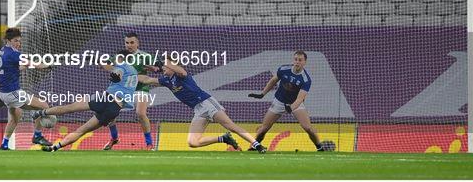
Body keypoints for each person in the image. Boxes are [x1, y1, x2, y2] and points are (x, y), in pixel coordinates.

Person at [139, 58, 267, 153]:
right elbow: (147, 80)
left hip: (206, 103)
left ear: (172, 67)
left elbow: (180, 70)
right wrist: (131, 75)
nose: (163, 69)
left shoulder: (181, 75)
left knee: (230, 126)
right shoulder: (166, 80)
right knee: (192, 142)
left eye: (166, 67)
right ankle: (223, 138)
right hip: (198, 110)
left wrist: (163, 62)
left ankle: (257, 145)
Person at [35, 50, 139, 152]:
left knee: (69, 108)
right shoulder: (134, 73)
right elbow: (115, 71)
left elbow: (118, 73)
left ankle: (41, 112)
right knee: (81, 131)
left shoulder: (121, 66)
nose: (115, 60)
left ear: (121, 58)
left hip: (106, 99)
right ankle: (54, 147)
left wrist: (115, 77)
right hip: (115, 109)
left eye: (117, 58)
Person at [248, 50, 324, 151]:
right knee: (264, 128)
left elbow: (300, 99)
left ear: (305, 62)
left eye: (300, 60)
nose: (297, 62)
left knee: (308, 128)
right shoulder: (283, 69)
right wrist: (262, 94)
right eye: (296, 59)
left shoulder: (306, 79)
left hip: (295, 104)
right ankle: (254, 147)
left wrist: (291, 108)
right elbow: (273, 81)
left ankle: (319, 147)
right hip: (279, 101)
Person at [0, 27, 52, 150]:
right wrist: (48, 65)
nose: (18, 43)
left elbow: (14, 68)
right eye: (16, 41)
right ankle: (37, 135)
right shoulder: (13, 54)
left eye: (19, 41)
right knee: (43, 106)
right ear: (8, 40)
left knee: (16, 117)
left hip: (4, 93)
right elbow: (35, 64)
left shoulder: (3, 50)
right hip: (13, 92)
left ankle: (4, 144)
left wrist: (24, 67)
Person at [103, 32, 155, 151]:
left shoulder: (145, 56)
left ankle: (149, 144)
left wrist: (152, 67)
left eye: (132, 42)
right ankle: (114, 138)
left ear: (137, 43)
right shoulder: (120, 57)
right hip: (122, 90)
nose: (129, 45)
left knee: (140, 114)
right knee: (109, 114)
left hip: (140, 89)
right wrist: (114, 70)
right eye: (127, 42)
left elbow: (156, 68)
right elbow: (106, 65)